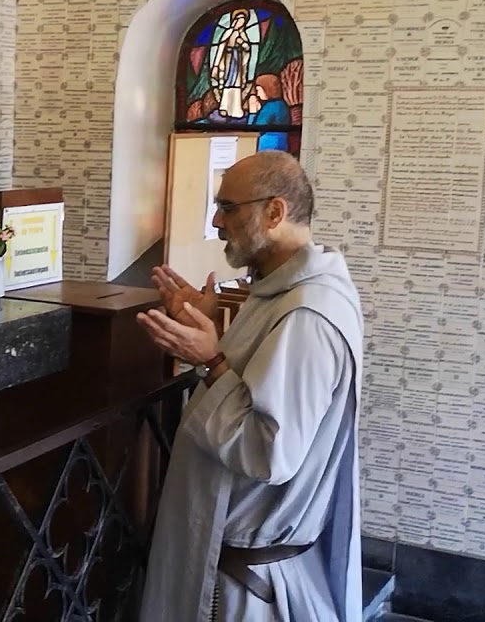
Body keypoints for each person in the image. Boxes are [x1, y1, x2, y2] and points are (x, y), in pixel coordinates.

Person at [137, 151, 364, 621]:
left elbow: (269, 452)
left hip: (244, 587)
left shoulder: (308, 315)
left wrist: (211, 360)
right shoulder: (278, 292)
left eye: (228, 207)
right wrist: (207, 326)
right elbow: (253, 384)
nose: (217, 221)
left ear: (274, 212)